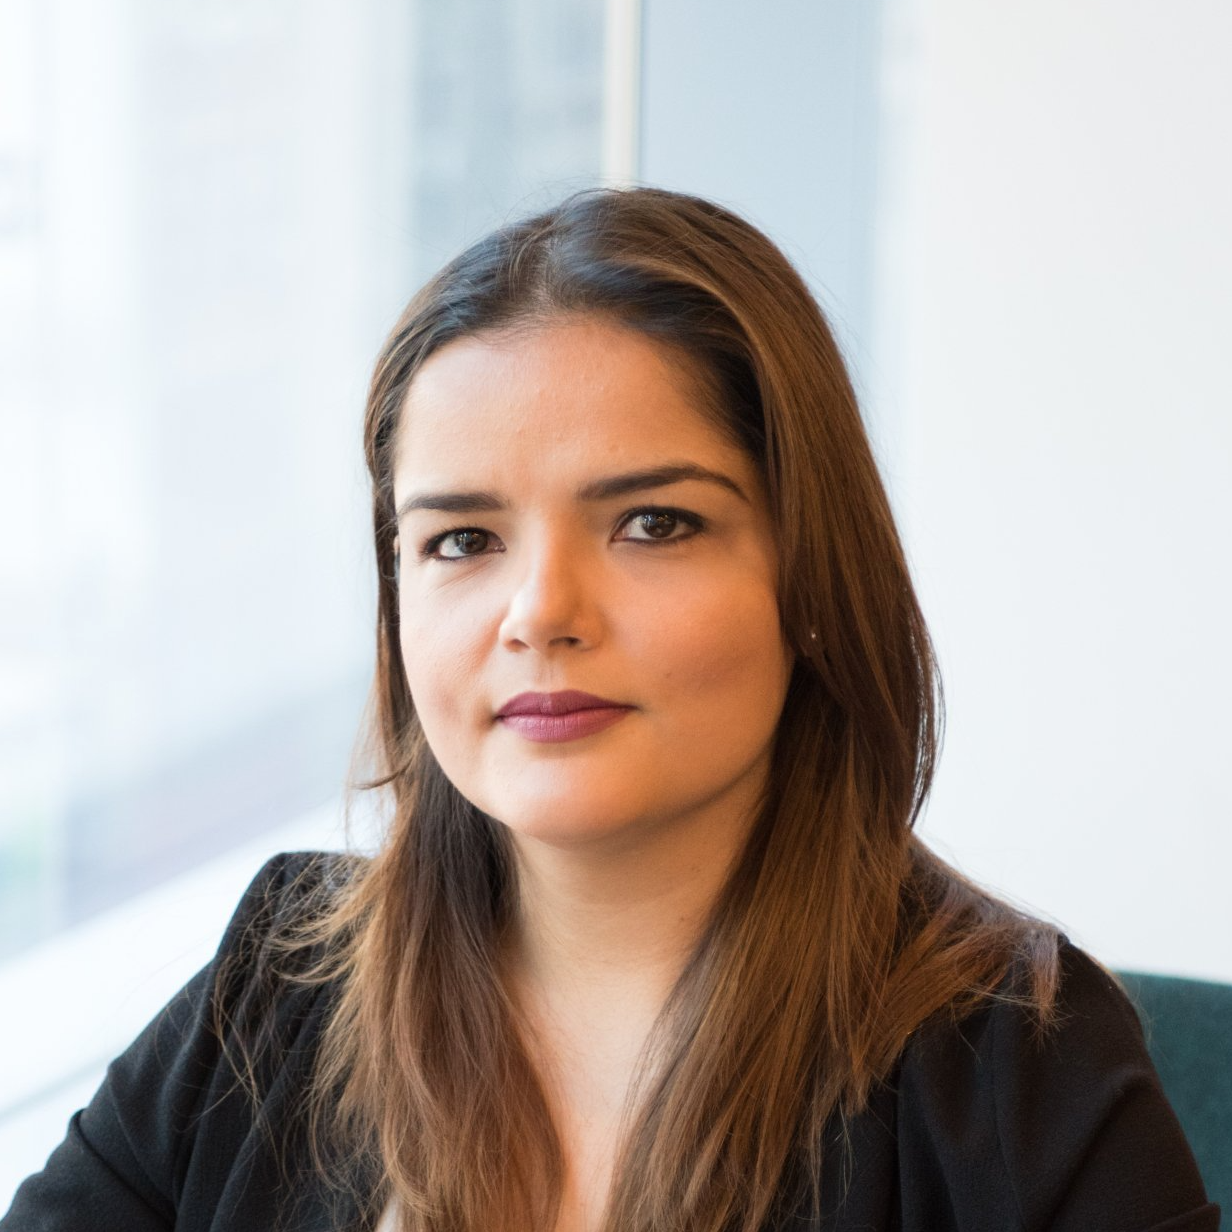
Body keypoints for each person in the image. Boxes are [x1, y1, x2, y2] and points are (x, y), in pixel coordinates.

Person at [2, 188, 1218, 1232]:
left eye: (651, 522)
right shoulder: (275, 986)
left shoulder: (1018, 1068)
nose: (539, 611)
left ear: (806, 573)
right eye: (461, 538)